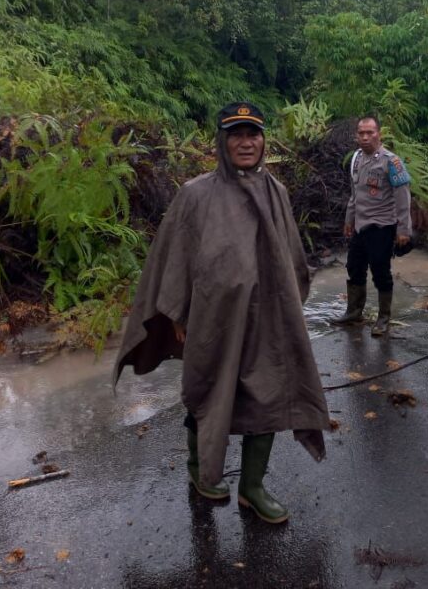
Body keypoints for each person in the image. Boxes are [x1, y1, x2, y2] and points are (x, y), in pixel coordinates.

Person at [113, 101, 330, 525]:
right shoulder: (196, 194)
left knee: (267, 394)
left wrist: (290, 301)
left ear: (264, 140)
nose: (245, 142)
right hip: (212, 320)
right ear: (222, 140)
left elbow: (291, 257)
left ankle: (253, 488)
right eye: (236, 134)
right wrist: (176, 315)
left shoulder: (277, 194)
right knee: (207, 390)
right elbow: (175, 258)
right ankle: (202, 474)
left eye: (253, 134)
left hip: (266, 319)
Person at [330, 115, 412, 336]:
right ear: (356, 135)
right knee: (354, 268)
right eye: (361, 133)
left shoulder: (391, 162)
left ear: (379, 134)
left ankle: (383, 318)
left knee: (380, 271)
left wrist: (404, 230)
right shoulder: (357, 159)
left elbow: (403, 197)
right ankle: (354, 311)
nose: (365, 137)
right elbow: (355, 193)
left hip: (382, 226)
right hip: (360, 225)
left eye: (370, 133)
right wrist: (349, 219)